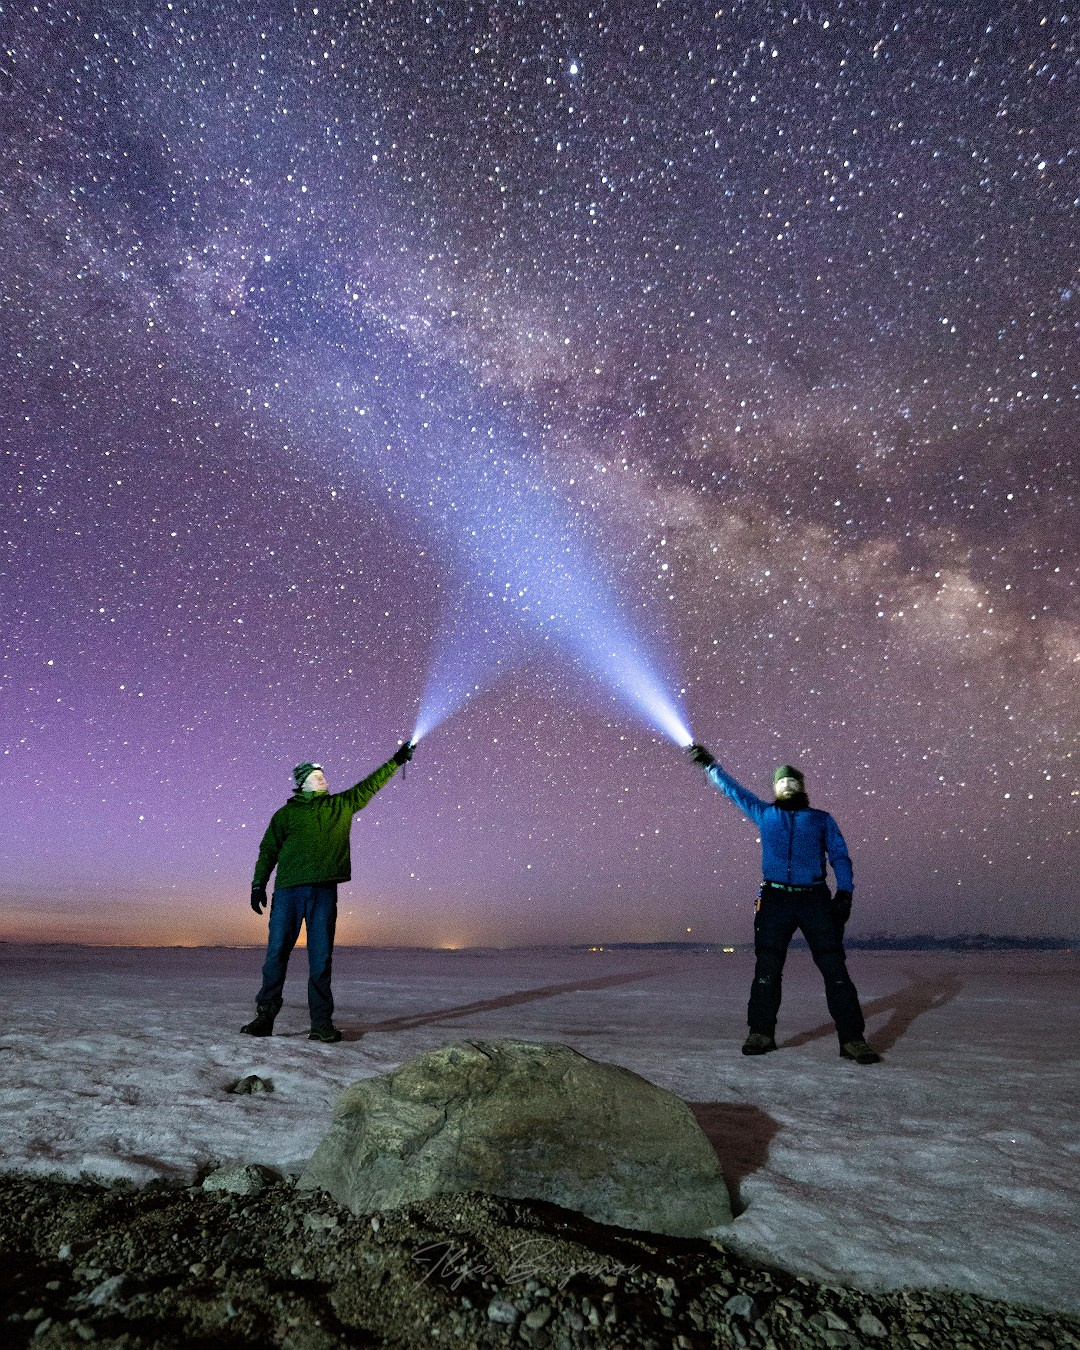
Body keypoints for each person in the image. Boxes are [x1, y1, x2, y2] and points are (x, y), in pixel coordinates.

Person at [686, 746, 880, 1064]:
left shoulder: (820, 820)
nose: (787, 786)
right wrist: (710, 766)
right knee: (767, 969)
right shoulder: (765, 814)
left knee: (835, 970)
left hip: (814, 899)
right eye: (782, 783)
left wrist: (844, 893)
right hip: (775, 899)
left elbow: (840, 856)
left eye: (792, 782)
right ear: (775, 790)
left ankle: (853, 1039)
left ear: (802, 788)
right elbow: (732, 790)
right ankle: (761, 1033)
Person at [241, 741, 415, 1043]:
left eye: (323, 774)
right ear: (302, 782)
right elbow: (268, 850)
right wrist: (259, 884)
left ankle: (320, 1024)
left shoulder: (341, 805)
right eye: (315, 775)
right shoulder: (285, 815)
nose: (322, 777)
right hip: (288, 892)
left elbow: (370, 785)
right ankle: (265, 1017)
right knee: (276, 955)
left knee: (320, 960)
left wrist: (396, 760)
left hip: (323, 893)